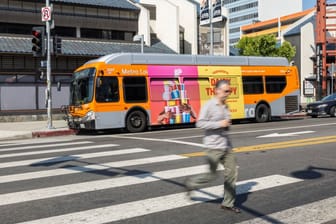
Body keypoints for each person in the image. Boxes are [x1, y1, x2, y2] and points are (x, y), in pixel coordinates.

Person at [184, 80, 241, 213]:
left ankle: (228, 203)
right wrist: (220, 124)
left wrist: (226, 125)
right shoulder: (209, 105)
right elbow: (200, 123)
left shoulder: (225, 106)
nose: (228, 93)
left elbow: (225, 125)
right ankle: (191, 183)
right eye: (226, 91)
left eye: (229, 91)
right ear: (217, 90)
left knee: (232, 173)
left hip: (226, 146)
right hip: (213, 147)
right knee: (211, 175)